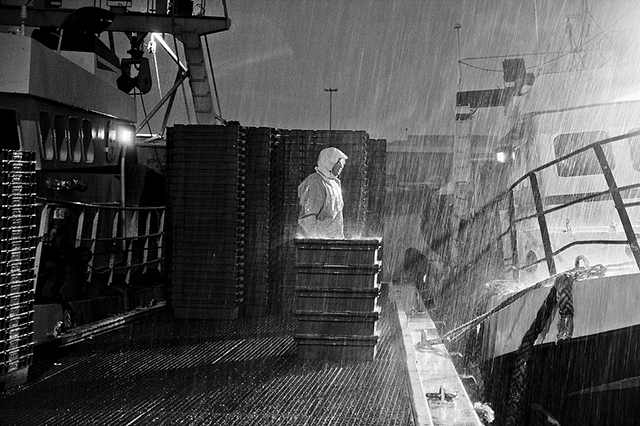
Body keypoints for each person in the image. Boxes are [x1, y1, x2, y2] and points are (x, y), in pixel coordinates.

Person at [298, 147, 348, 239]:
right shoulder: (315, 182)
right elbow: (308, 218)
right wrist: (315, 242)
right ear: (329, 162)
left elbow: (337, 217)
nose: (341, 166)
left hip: (334, 240)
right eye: (338, 163)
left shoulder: (335, 183)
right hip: (320, 242)